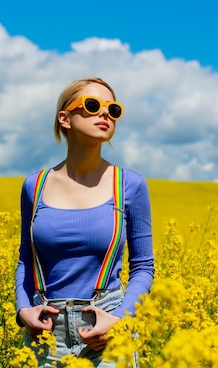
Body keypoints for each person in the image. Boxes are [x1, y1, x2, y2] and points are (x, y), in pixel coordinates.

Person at [15, 77, 155, 367]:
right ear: (65, 118)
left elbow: (143, 266)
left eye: (113, 109)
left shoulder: (129, 185)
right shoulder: (34, 186)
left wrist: (120, 318)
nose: (105, 114)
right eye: (93, 106)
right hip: (46, 332)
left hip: (107, 329)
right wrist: (23, 311)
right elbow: (26, 261)